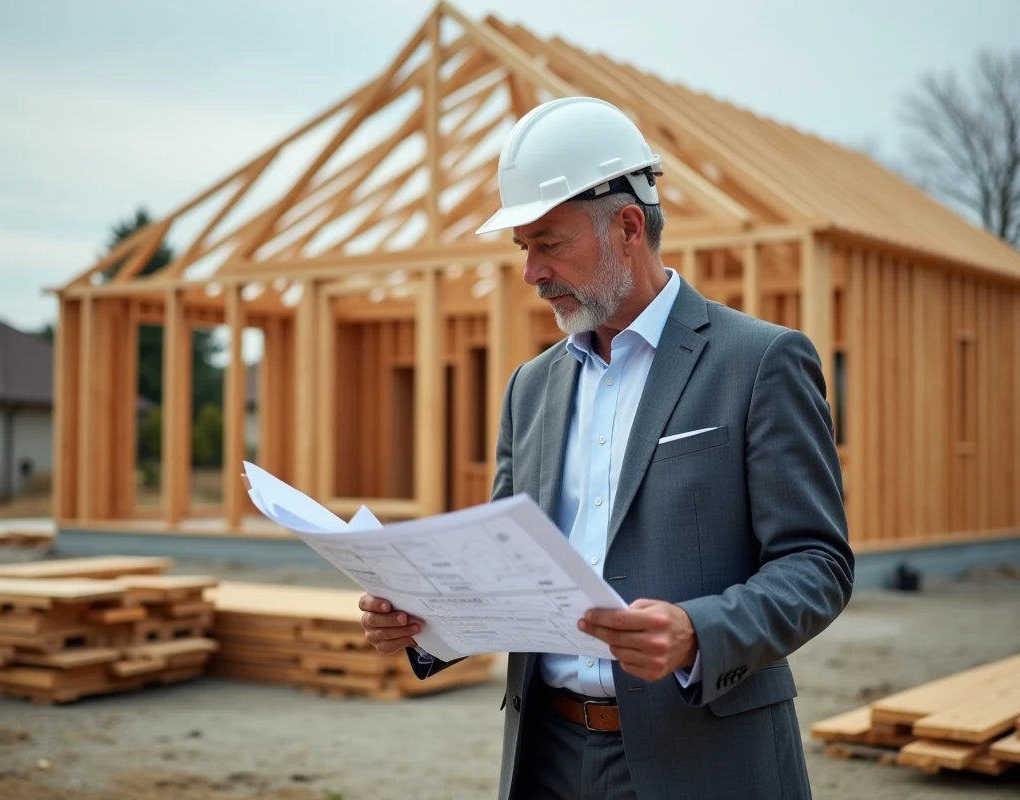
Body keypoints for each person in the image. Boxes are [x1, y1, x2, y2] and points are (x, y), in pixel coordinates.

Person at [358, 96, 854, 800]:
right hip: (547, 757)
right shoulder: (530, 389)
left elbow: (817, 564)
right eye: (523, 248)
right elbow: (506, 566)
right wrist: (424, 620)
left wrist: (698, 631)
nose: (531, 272)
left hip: (704, 757)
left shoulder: (759, 362)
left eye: (548, 243)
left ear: (627, 227)